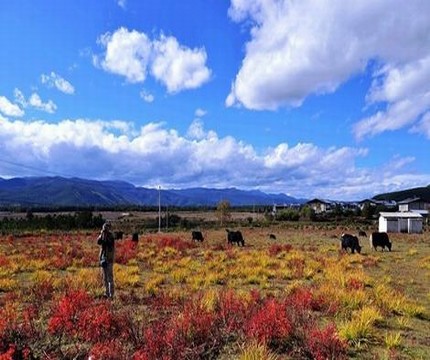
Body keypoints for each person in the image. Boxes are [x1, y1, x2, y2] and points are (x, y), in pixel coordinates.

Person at [97, 222, 116, 299]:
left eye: (106, 228)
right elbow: (98, 242)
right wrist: (101, 234)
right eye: (104, 228)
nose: (105, 230)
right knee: (104, 277)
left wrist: (105, 235)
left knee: (110, 277)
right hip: (103, 258)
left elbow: (109, 243)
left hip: (109, 259)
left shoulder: (111, 236)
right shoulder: (102, 236)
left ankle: (111, 294)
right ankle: (106, 293)